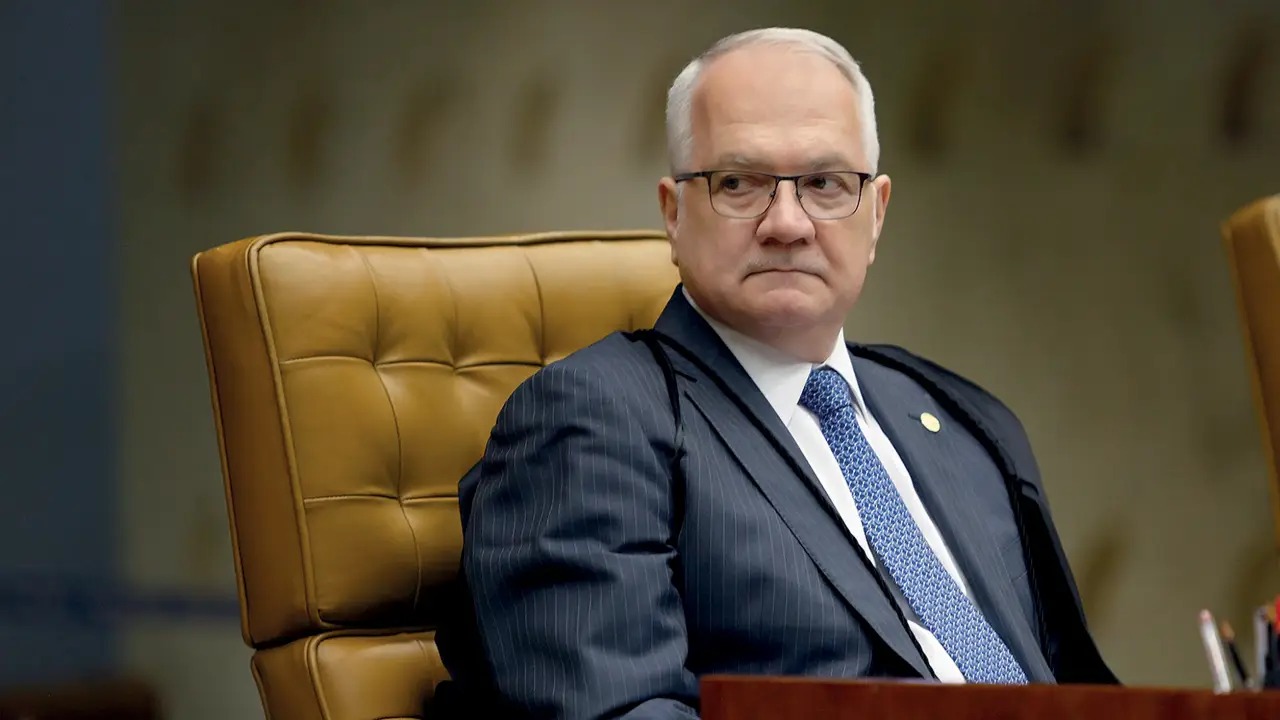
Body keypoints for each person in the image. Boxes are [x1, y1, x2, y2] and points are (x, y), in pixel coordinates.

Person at [434, 26, 1117, 720]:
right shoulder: (594, 419)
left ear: (876, 213)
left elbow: (1082, 690)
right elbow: (619, 710)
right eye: (739, 183)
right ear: (674, 213)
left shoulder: (960, 419)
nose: (787, 224)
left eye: (825, 184)